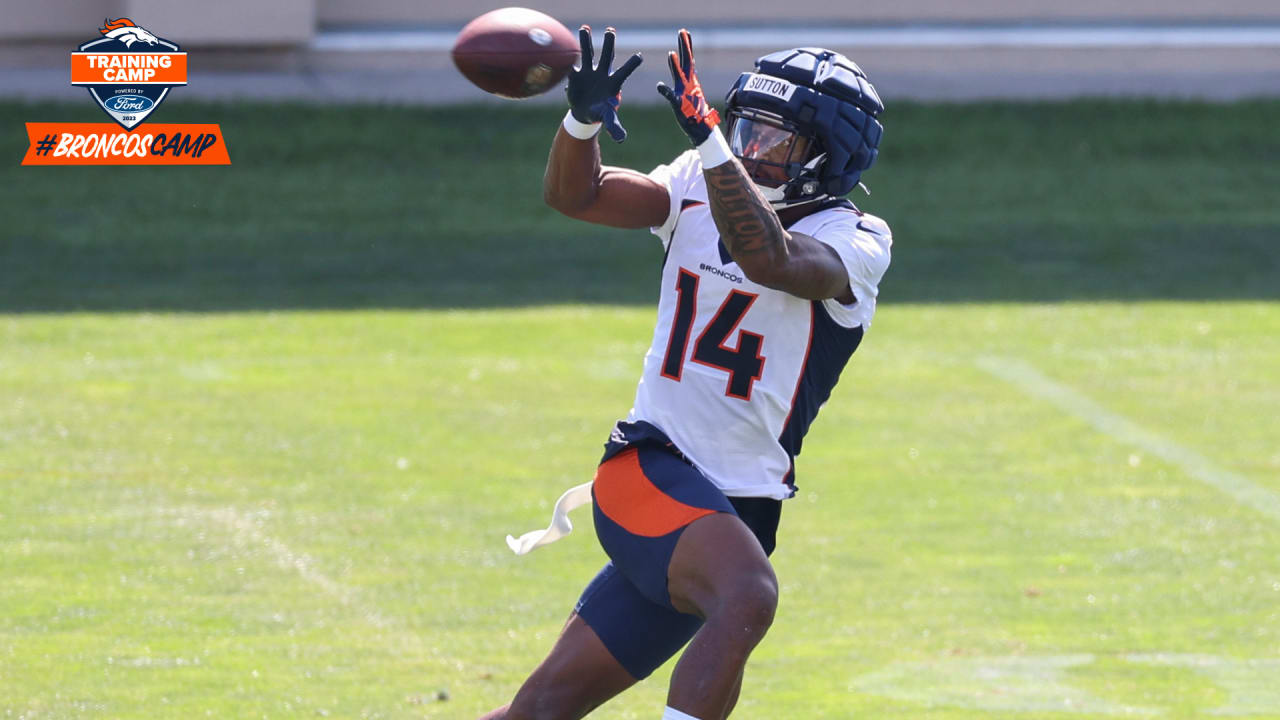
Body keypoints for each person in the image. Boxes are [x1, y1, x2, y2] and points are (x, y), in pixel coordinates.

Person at [480, 25, 891, 720]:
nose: (751, 151)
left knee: (539, 711)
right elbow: (578, 195)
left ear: (830, 155)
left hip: (739, 509)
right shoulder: (700, 178)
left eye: (775, 141)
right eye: (744, 132)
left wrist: (712, 142)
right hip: (649, 469)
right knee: (749, 595)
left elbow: (773, 261)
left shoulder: (856, 240)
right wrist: (579, 121)